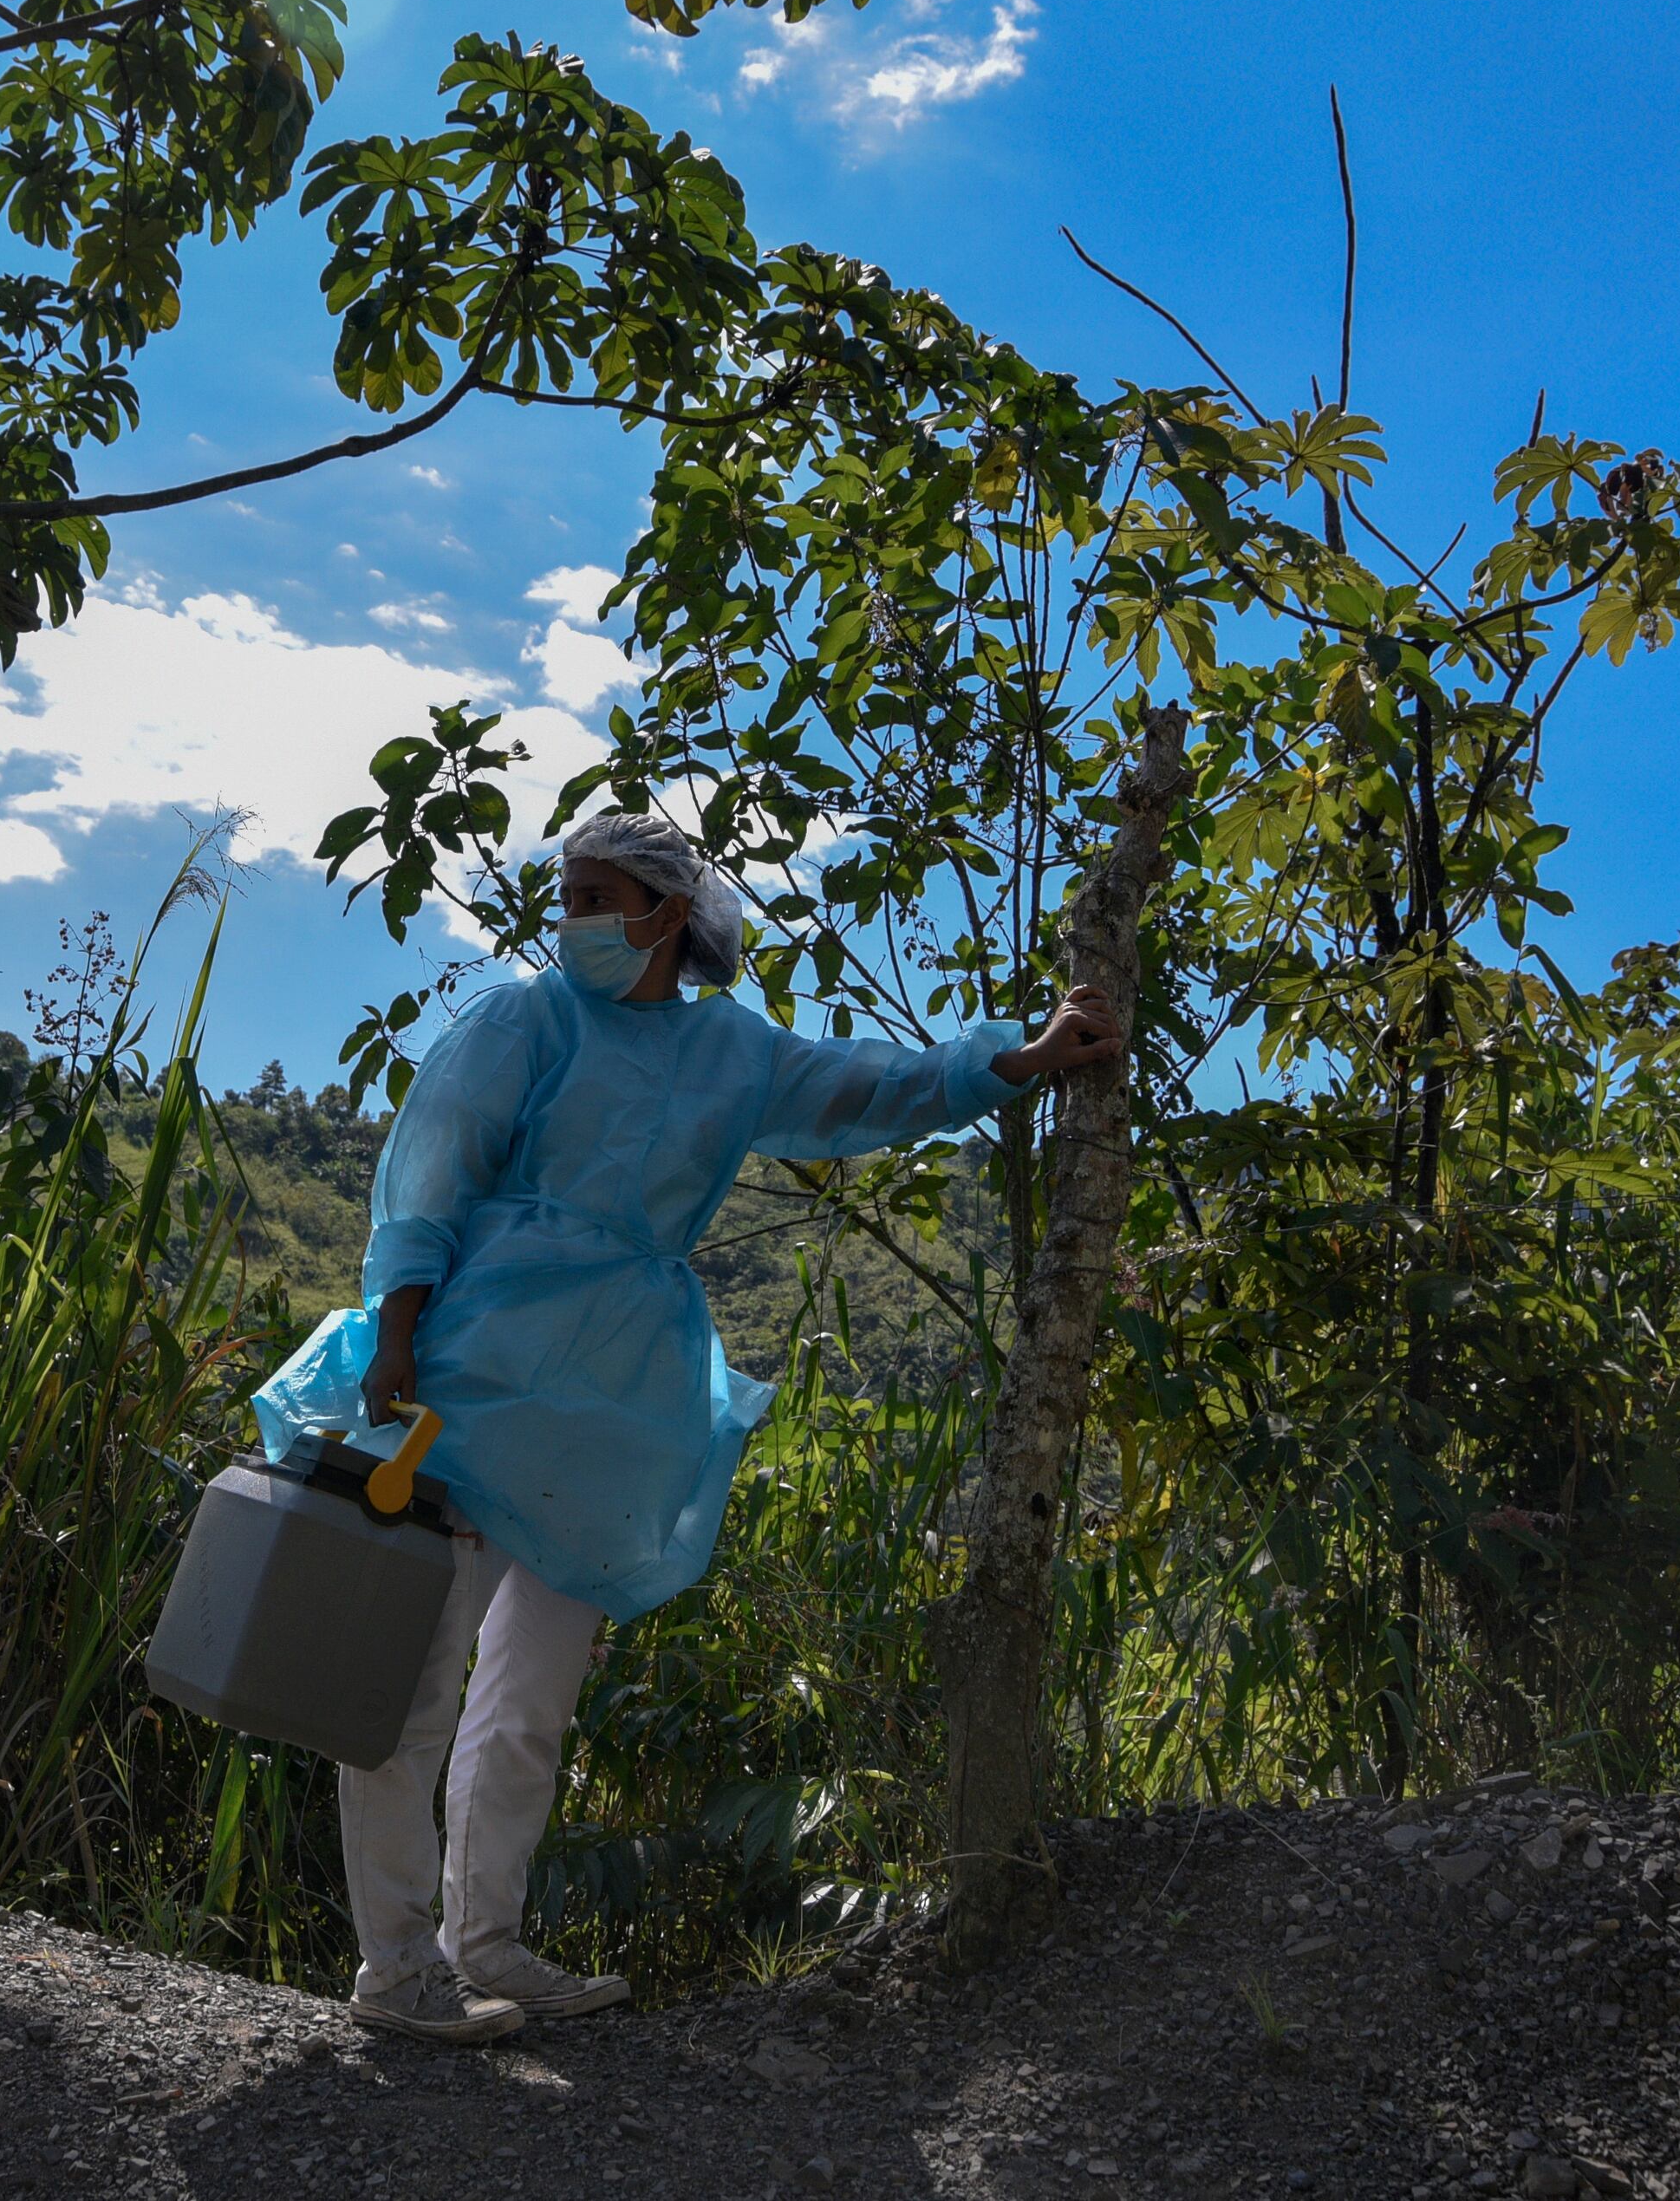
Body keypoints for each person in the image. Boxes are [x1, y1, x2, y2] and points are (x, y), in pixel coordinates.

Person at [249, 812, 1126, 2045]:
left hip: (610, 1411)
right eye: (567, 894)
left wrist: (1021, 1056)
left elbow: (868, 1085)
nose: (574, 919)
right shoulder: (527, 1019)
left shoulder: (731, 1052)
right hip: (473, 1375)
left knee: (530, 1696)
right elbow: (429, 1170)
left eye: (598, 893)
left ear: (668, 910)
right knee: (408, 1682)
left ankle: (485, 1943)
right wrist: (395, 1332)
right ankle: (398, 1969)